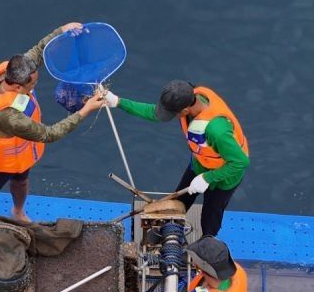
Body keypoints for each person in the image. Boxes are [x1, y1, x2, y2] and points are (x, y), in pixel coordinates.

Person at [0, 23, 107, 223]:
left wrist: (61, 31)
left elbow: (38, 51)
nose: (35, 87)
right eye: (32, 85)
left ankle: (18, 211)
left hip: (21, 152)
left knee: (21, 182)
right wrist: (86, 109)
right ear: (17, 86)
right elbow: (49, 134)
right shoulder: (8, 117)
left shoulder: (13, 70)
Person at [103, 80, 249, 236]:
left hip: (225, 175)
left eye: (172, 114)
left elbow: (240, 162)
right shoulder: (189, 98)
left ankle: (207, 244)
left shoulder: (217, 130)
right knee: (179, 202)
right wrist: (118, 102)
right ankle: (170, 233)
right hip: (200, 163)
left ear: (185, 110)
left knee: (210, 216)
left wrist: (208, 178)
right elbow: (153, 113)